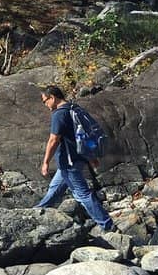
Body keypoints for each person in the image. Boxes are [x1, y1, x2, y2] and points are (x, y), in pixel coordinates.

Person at [34, 85, 115, 232]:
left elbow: (53, 140)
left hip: (69, 161)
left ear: (52, 97)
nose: (45, 105)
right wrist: (91, 156)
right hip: (78, 158)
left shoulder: (59, 114)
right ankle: (36, 213)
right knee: (55, 188)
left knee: (82, 194)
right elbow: (84, 134)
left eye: (44, 101)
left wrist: (45, 162)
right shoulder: (74, 108)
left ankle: (108, 225)